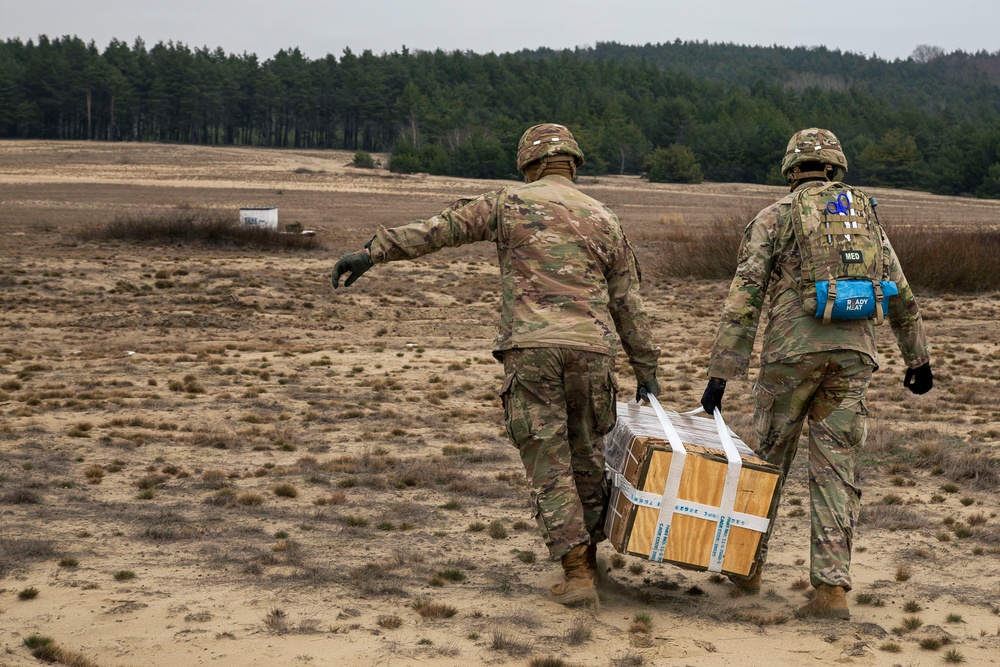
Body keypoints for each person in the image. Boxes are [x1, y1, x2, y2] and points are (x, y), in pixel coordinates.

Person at [331, 123, 661, 605]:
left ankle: (576, 573)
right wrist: (646, 369)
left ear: (529, 163)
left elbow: (440, 230)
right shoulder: (605, 218)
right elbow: (628, 303)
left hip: (533, 350)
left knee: (549, 459)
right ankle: (590, 559)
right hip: (593, 353)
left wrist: (370, 253)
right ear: (573, 163)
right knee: (588, 457)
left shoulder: (507, 204)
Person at [701, 128, 932, 620]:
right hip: (854, 354)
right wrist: (918, 358)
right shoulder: (861, 217)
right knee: (835, 470)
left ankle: (746, 568)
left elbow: (745, 296)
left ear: (790, 170)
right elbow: (899, 288)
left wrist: (721, 372)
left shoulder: (773, 217)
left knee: (768, 462)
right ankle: (831, 592)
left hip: (790, 355)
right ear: (836, 167)